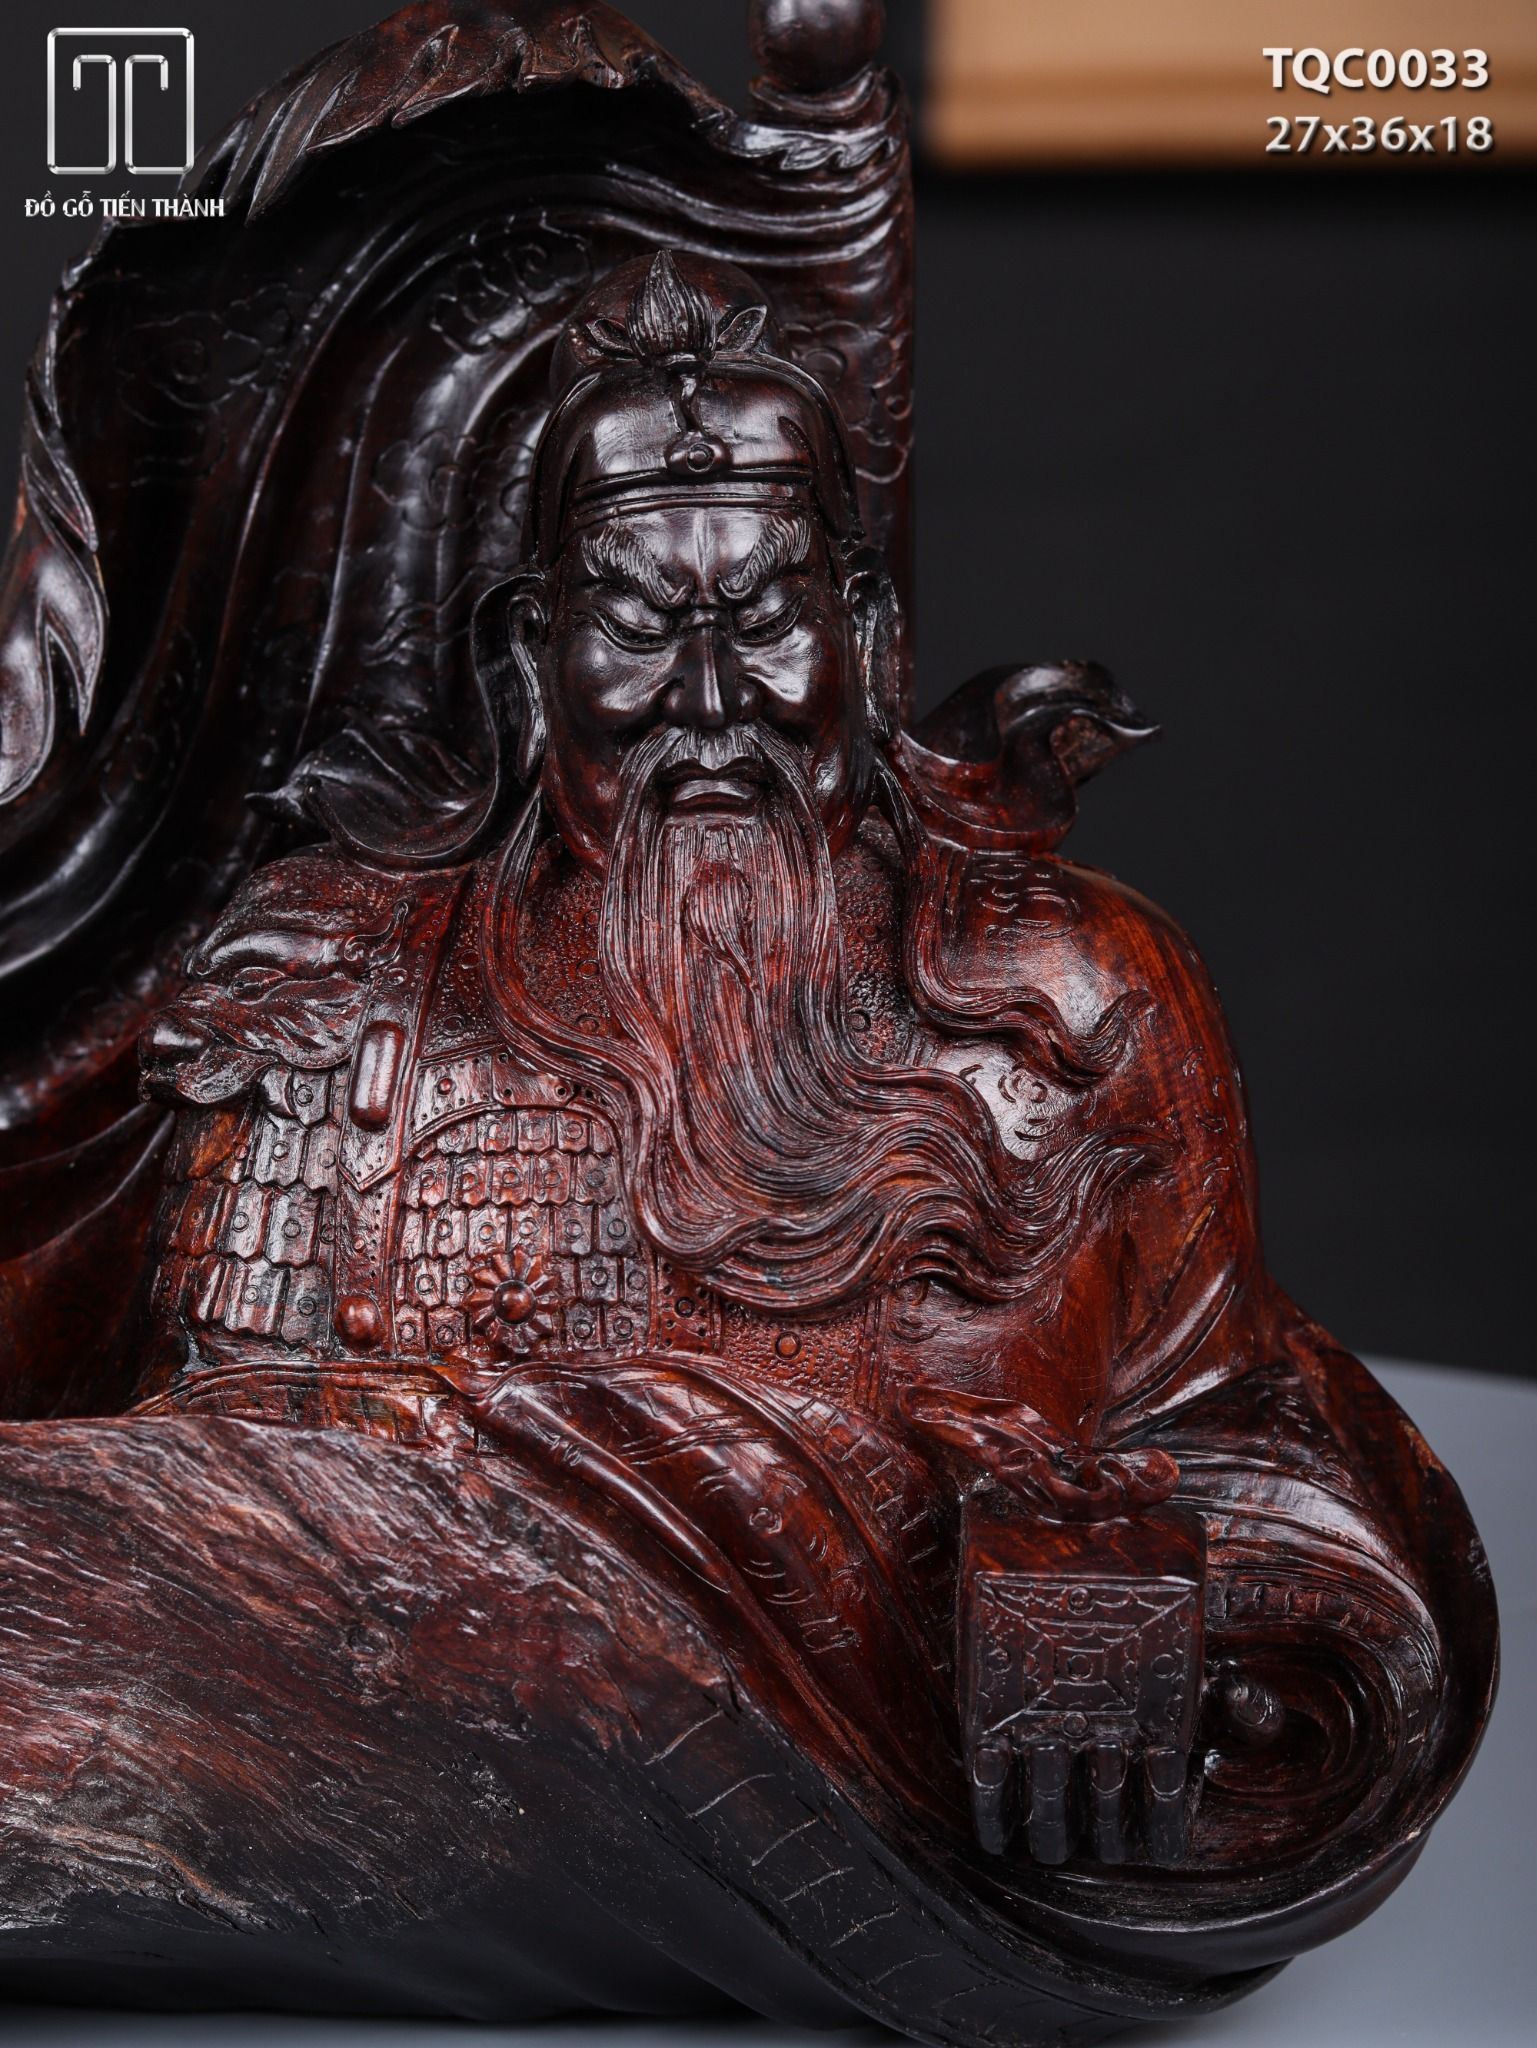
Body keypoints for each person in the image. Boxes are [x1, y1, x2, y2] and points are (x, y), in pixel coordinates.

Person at [135, 250, 1442, 1874]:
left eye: (765, 621)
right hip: (442, 1827)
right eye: (633, 626)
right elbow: (203, 1510)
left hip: (934, 1848)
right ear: (531, 652)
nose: (706, 701)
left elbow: (1247, 1431)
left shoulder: (1071, 995)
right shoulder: (346, 992)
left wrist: (1118, 1570)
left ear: (866, 632)